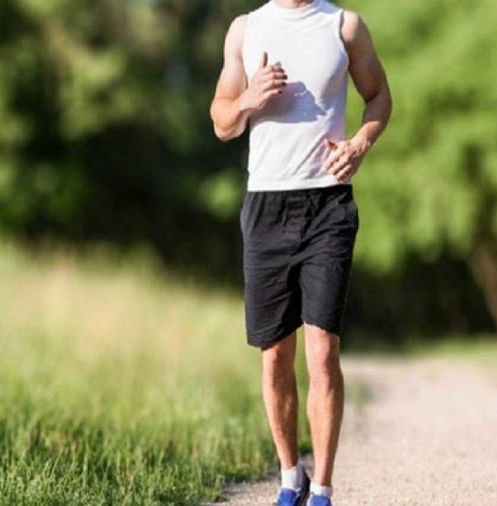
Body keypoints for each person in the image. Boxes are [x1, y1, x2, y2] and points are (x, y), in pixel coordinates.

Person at [210, 0, 391, 504]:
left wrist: (360, 144)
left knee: (322, 350)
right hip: (266, 205)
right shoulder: (245, 30)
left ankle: (323, 489)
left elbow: (379, 96)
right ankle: (292, 477)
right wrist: (249, 99)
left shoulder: (343, 26)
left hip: (327, 203)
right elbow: (221, 121)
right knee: (274, 357)